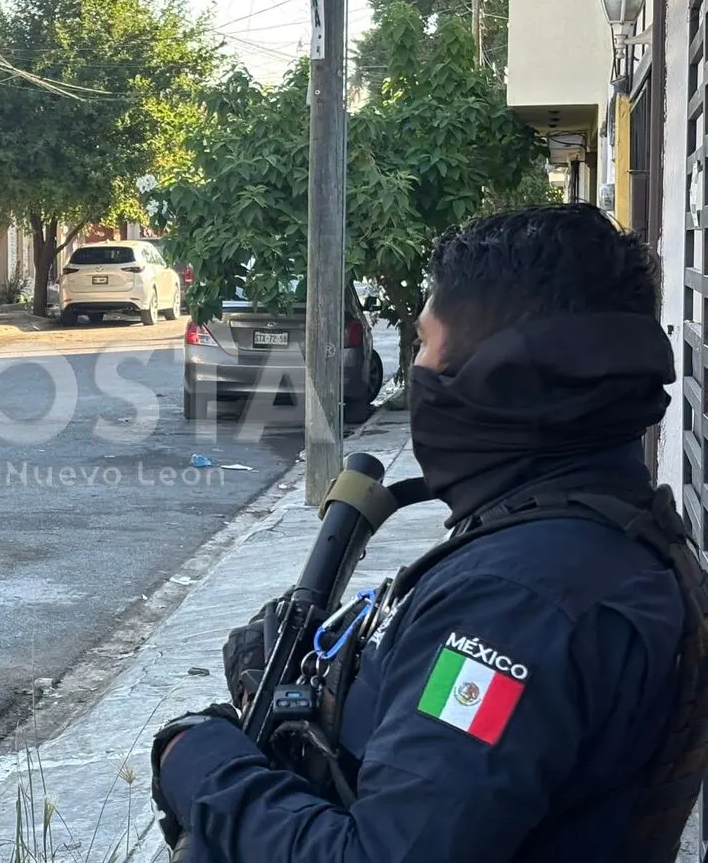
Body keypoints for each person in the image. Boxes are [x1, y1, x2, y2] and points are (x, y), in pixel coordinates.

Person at [149, 203, 695, 862]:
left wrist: (198, 761)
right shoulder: (599, 533)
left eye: (425, 346)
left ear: (498, 375)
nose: (417, 371)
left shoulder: (514, 602)